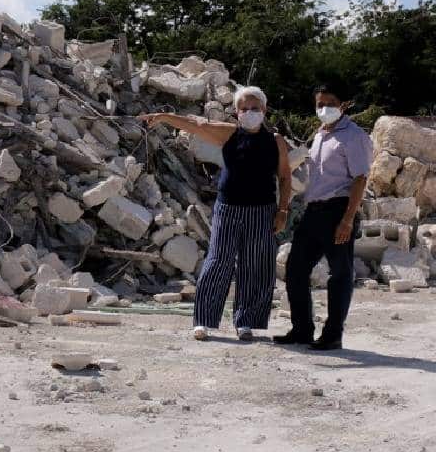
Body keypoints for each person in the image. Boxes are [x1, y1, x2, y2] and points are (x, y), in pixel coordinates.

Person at [141, 86, 292, 341]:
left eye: (255, 108)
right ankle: (204, 321)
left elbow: (285, 177)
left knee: (255, 265)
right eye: (244, 109)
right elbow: (196, 125)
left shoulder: (275, 141)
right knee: (218, 260)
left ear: (264, 110)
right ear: (236, 112)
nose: (250, 113)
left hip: (262, 211)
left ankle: (246, 322)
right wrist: (165, 117)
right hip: (228, 208)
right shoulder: (230, 134)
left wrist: (283, 210)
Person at [273, 82, 374, 350]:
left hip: (338, 210)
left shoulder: (353, 136)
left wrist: (347, 220)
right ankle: (302, 329)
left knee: (339, 273)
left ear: (344, 105)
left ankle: (333, 335)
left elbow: (360, 180)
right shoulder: (320, 135)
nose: (324, 108)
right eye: (320, 104)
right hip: (314, 211)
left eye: (330, 103)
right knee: (295, 269)